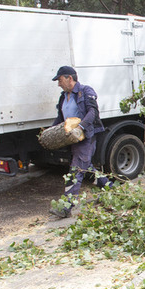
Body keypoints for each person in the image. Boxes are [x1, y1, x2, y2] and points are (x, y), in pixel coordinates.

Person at [49, 65, 109, 218]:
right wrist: (50, 131)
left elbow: (92, 112)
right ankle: (110, 187)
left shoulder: (86, 91)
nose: (58, 84)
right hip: (72, 138)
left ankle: (66, 208)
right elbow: (61, 118)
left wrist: (81, 127)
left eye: (60, 80)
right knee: (86, 166)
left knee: (76, 171)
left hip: (86, 137)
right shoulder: (64, 96)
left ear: (70, 78)